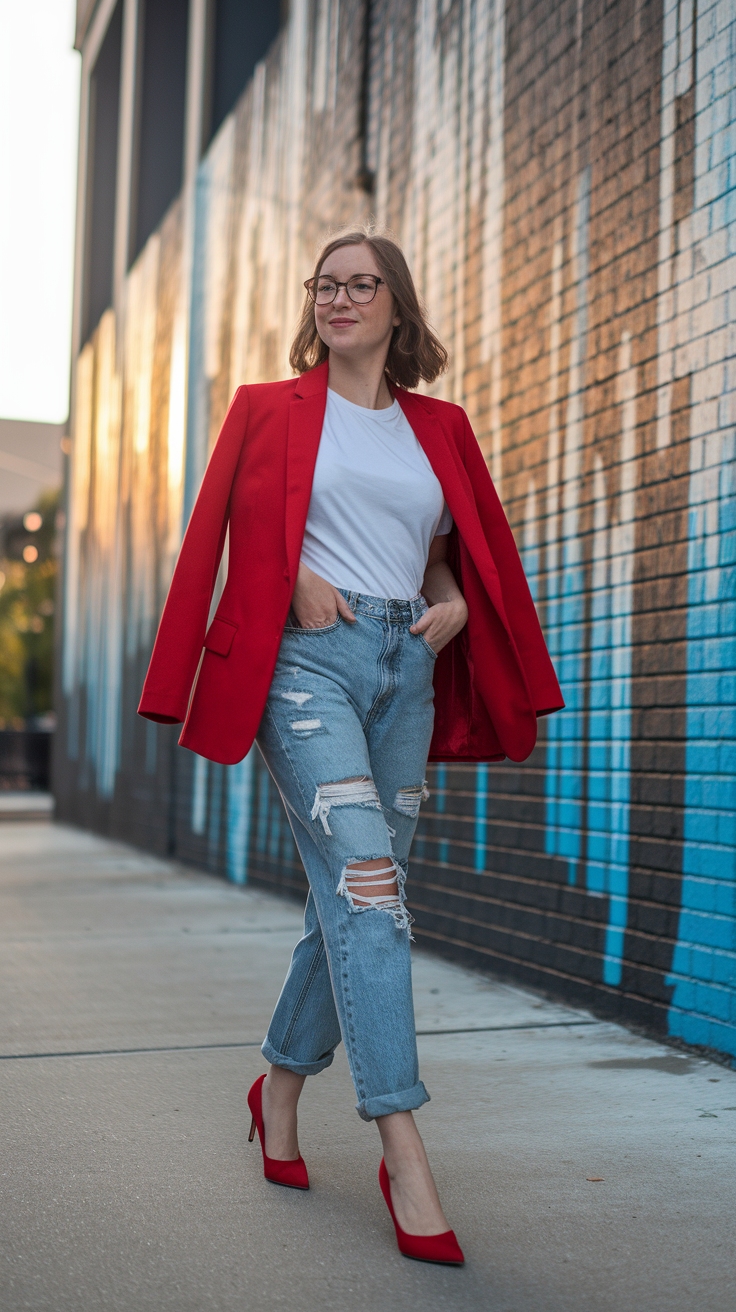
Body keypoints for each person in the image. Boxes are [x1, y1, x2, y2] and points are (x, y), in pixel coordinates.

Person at [139, 227, 563, 1265]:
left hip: (404, 670)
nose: (338, 298)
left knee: (354, 902)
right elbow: (222, 530)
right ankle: (402, 1146)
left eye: (359, 285)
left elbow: (447, 547)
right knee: (371, 890)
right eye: (324, 285)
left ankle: (278, 1084)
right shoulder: (268, 410)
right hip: (304, 665)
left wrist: (453, 599)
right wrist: (285, 581)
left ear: (395, 307)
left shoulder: (440, 427)